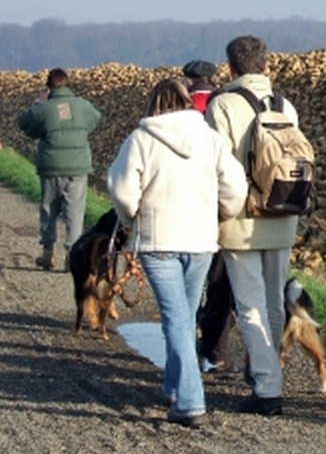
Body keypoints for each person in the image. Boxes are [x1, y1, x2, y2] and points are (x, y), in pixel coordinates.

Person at [107, 78, 247, 427]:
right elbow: (235, 186)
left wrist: (130, 218)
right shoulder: (211, 139)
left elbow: (123, 192)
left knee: (177, 319)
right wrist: (221, 214)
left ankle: (189, 401)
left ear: (153, 104)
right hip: (200, 240)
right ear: (187, 103)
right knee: (183, 315)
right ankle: (173, 383)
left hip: (159, 241)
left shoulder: (140, 139)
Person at [204, 35, 301, 416]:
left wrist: (221, 214)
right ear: (266, 65)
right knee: (275, 300)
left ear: (230, 68)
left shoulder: (223, 105)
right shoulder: (285, 105)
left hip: (242, 219)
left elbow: (218, 166)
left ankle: (267, 386)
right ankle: (268, 370)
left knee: (249, 305)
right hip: (282, 212)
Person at [17, 68, 102, 272]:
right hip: (78, 166)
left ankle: (48, 253)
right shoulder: (82, 106)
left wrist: (38, 104)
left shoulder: (44, 108)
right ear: (67, 84)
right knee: (75, 212)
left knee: (49, 210)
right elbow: (96, 118)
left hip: (51, 166)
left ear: (49, 86)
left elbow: (25, 124)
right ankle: (71, 258)